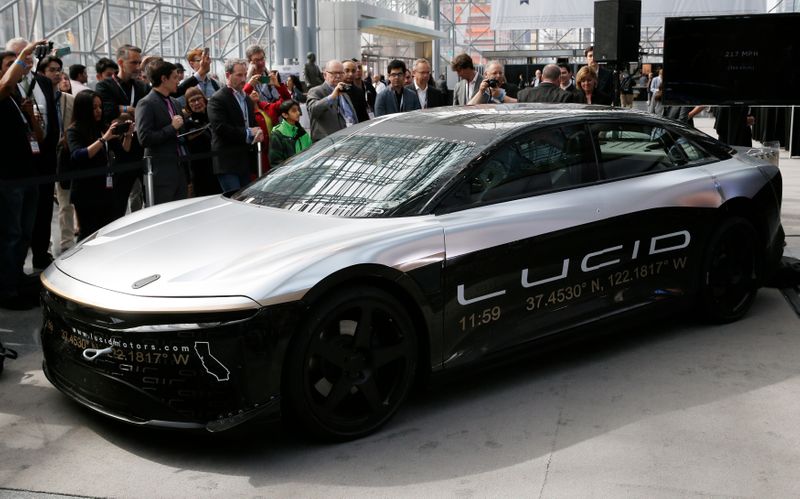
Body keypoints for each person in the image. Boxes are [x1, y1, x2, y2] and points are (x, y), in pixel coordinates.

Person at [0, 42, 46, 310]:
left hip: (29, 174)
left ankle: (16, 277)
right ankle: (6, 288)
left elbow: (37, 137)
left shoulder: (17, 96)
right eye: (10, 65)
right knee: (11, 233)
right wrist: (23, 53)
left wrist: (30, 114)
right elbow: (5, 83)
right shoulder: (4, 92)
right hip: (8, 178)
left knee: (24, 232)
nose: (19, 69)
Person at [95, 44, 148, 214]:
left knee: (148, 196)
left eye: (139, 63)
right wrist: (128, 109)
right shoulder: (105, 86)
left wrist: (121, 109)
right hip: (119, 150)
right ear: (120, 62)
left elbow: (146, 110)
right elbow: (108, 112)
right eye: (134, 63)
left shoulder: (141, 87)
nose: (138, 67)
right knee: (118, 200)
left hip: (141, 146)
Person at [65, 90, 119, 241]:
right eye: (94, 107)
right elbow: (78, 155)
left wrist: (127, 135)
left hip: (105, 187)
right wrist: (103, 139)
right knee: (88, 233)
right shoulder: (74, 130)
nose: (98, 111)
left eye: (100, 107)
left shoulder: (102, 126)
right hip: (86, 190)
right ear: (84, 109)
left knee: (107, 229)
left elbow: (122, 151)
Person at [135, 59, 188, 204]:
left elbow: (180, 132)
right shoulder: (146, 103)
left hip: (179, 169)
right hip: (160, 174)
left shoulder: (175, 102)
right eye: (175, 77)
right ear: (164, 79)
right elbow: (144, 138)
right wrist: (171, 128)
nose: (178, 81)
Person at [207, 58, 263, 191]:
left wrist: (259, 132)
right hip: (228, 162)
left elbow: (252, 124)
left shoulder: (247, 100)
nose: (244, 79)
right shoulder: (217, 99)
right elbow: (221, 128)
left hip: (245, 160)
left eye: (245, 74)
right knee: (233, 199)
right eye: (239, 75)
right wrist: (249, 132)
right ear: (228, 75)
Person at [243, 68, 291, 172]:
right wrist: (248, 86)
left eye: (255, 89)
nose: (254, 91)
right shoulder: (243, 112)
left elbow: (287, 102)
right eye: (251, 90)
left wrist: (278, 86)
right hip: (256, 154)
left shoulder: (268, 107)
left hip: (275, 151)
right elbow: (239, 98)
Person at [181, 87, 221, 197]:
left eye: (199, 99)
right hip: (200, 171)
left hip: (219, 166)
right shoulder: (188, 124)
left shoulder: (214, 116)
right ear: (188, 105)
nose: (197, 103)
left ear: (204, 99)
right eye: (192, 101)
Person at [306, 59, 358, 141]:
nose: (338, 76)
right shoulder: (316, 91)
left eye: (341, 73)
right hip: (327, 143)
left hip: (348, 140)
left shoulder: (344, 93)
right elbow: (313, 110)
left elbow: (351, 117)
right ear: (325, 75)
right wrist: (332, 96)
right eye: (334, 73)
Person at [269, 100, 311, 165]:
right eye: (294, 111)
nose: (298, 113)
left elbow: (310, 149)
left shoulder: (301, 130)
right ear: (285, 115)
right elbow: (275, 162)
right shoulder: (278, 134)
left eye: (298, 110)